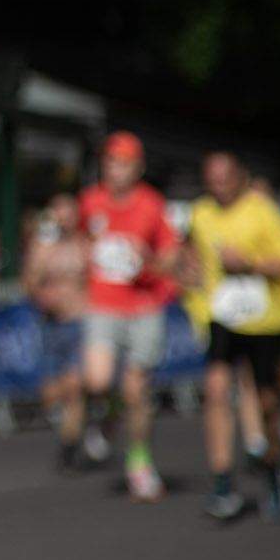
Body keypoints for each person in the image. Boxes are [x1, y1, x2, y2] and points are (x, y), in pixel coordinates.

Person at [190, 150, 280, 523]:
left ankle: (274, 472)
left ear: (241, 176)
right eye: (212, 178)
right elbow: (192, 260)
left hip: (268, 320)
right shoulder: (200, 214)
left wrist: (251, 264)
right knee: (215, 391)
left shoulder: (264, 210)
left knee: (267, 403)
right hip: (223, 318)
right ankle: (223, 482)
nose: (219, 185)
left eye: (225, 177)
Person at [77, 130, 179, 501]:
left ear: (137, 167)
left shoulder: (151, 205)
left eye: (123, 163)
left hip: (143, 307)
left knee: (136, 391)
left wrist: (148, 262)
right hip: (103, 304)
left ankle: (139, 462)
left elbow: (170, 255)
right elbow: (79, 243)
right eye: (110, 162)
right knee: (98, 380)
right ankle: (107, 419)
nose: (115, 170)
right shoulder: (90, 202)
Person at [23, 193, 92, 470]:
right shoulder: (42, 246)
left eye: (68, 212)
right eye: (58, 212)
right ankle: (73, 428)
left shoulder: (85, 245)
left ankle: (69, 446)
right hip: (52, 326)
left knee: (74, 387)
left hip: (80, 322)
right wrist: (41, 292)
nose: (63, 218)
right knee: (51, 394)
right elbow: (28, 281)